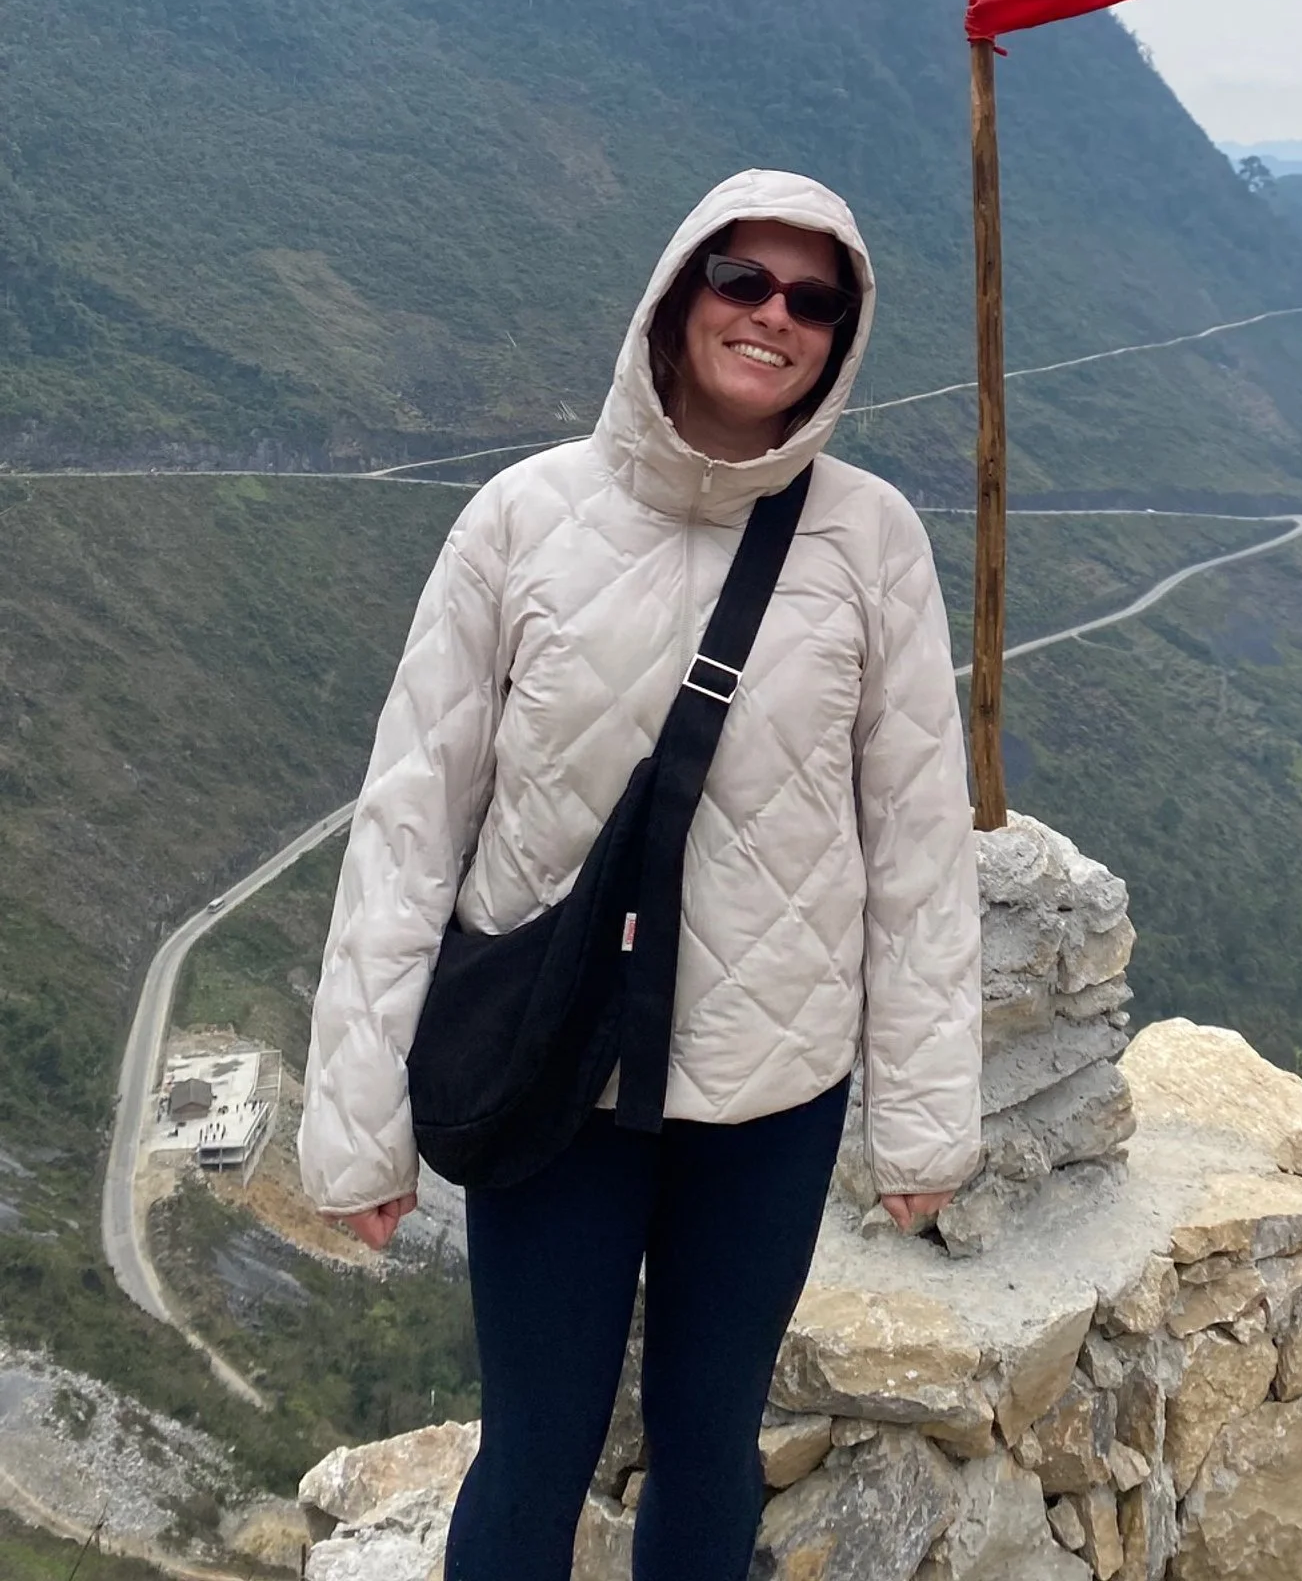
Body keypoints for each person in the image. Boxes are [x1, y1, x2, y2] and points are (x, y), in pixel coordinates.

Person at [298, 170, 982, 1581]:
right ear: (678, 298)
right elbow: (412, 818)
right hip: (558, 1077)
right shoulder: (519, 520)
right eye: (744, 279)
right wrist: (359, 1121)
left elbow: (917, 842)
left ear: (841, 336)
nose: (774, 316)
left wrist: (923, 1125)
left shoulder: (872, 542)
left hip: (769, 1090)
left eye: (815, 299)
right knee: (536, 1444)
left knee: (709, 1438)